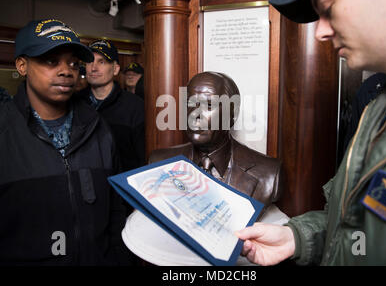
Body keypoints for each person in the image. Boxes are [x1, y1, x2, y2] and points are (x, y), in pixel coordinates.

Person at [236, 0, 386, 265]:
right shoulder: (380, 105)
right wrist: (297, 237)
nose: (320, 32)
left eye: (329, 7)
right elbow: (360, 227)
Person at [0, 19, 132, 265]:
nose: (66, 70)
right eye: (51, 61)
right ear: (22, 65)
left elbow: (116, 207)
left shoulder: (98, 127)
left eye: (73, 63)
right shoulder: (5, 132)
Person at [149, 72, 282, 215]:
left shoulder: (268, 173)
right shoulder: (159, 162)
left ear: (233, 113)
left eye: (209, 105)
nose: (195, 115)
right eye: (190, 103)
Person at [78, 40, 145, 172]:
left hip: (121, 186)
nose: (93, 67)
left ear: (115, 69)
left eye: (101, 62)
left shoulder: (134, 106)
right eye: (90, 61)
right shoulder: (74, 103)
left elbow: (142, 159)